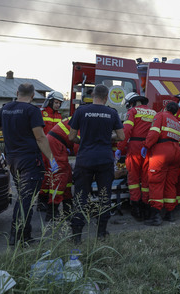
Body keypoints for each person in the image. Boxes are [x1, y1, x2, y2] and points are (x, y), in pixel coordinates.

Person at [0, 83, 58, 245]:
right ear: (32, 96)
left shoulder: (5, 109)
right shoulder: (32, 111)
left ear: (17, 93)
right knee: (26, 199)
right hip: (29, 161)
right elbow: (40, 138)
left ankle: (25, 236)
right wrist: (52, 160)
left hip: (12, 160)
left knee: (23, 197)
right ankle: (17, 237)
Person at [68, 84, 124, 244]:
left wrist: (84, 140)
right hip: (104, 159)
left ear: (93, 95)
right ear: (106, 97)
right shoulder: (112, 113)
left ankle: (76, 236)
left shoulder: (81, 111)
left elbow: (71, 137)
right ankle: (101, 233)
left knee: (80, 197)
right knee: (104, 196)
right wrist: (108, 137)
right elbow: (121, 136)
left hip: (84, 159)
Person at [115, 92, 156, 221]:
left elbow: (126, 130)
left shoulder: (132, 111)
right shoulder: (154, 113)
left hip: (134, 147)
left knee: (133, 179)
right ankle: (146, 208)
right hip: (149, 148)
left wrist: (120, 148)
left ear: (132, 103)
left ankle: (136, 208)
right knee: (145, 179)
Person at [142, 101, 180, 226]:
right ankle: (169, 213)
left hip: (162, 150)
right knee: (170, 183)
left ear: (165, 108)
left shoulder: (161, 115)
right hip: (176, 151)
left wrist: (146, 145)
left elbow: (154, 133)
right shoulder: (176, 122)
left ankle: (156, 216)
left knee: (156, 182)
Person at [44, 116, 77, 221]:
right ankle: (52, 211)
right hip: (56, 143)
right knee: (60, 176)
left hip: (57, 142)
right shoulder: (84, 120)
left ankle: (67, 209)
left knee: (67, 177)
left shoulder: (82, 116)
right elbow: (78, 145)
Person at [37, 90, 64, 210]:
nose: (58, 105)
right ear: (50, 101)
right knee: (45, 175)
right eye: (56, 102)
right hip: (43, 149)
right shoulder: (41, 113)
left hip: (55, 150)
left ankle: (49, 200)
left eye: (59, 103)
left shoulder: (59, 116)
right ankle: (41, 201)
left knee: (54, 174)